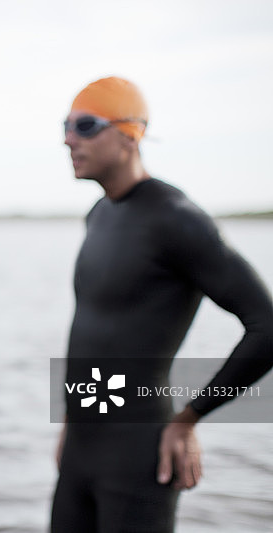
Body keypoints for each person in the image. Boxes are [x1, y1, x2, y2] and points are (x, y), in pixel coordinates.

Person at [52, 77, 273, 532]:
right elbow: (95, 330)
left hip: (140, 454)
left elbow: (266, 325)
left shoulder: (176, 219)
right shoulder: (100, 214)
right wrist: (72, 423)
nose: (68, 138)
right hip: (80, 449)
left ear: (130, 134)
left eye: (85, 125)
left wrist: (189, 420)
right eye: (67, 125)